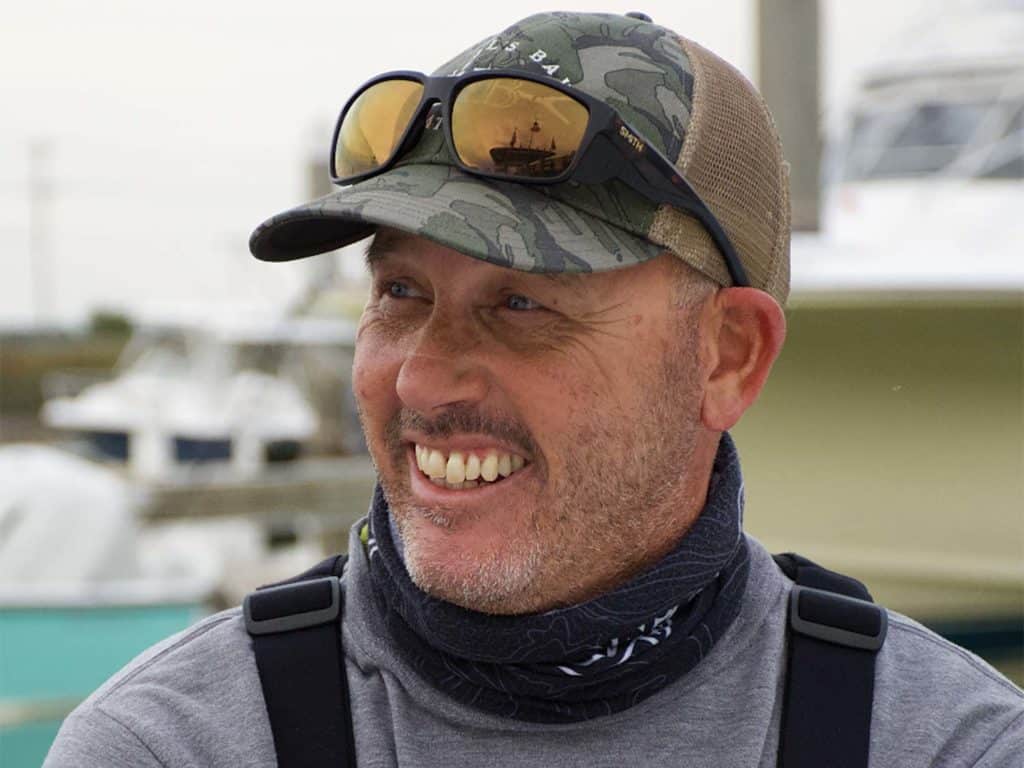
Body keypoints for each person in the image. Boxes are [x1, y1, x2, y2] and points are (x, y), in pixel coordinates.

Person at [45, 10, 1023, 767]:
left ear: (727, 356)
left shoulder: (943, 744)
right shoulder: (178, 744)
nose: (423, 376)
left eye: (520, 303)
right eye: (398, 292)